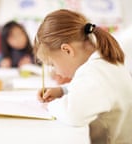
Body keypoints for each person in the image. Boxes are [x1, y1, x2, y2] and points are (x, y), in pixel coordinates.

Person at [35, 9, 132, 143]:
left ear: (67, 50)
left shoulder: (94, 72)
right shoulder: (102, 62)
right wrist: (62, 90)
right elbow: (93, 88)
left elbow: (74, 114)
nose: (56, 71)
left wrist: (50, 106)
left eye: (53, 64)